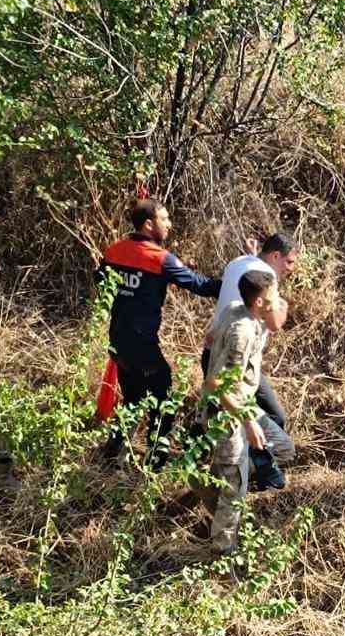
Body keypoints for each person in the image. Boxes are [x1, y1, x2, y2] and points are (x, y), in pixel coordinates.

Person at [98, 198, 221, 466]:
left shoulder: (114, 250)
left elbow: (101, 284)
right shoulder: (159, 258)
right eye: (164, 220)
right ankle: (156, 461)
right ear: (149, 224)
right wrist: (235, 285)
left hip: (117, 338)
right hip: (143, 342)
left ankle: (111, 456)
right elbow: (199, 284)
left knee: (131, 398)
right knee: (162, 397)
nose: (169, 224)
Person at [203, 268, 296, 554]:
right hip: (227, 415)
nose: (277, 297)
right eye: (273, 294)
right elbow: (215, 382)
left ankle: (206, 486)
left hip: (240, 406)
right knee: (235, 490)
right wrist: (247, 420)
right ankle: (223, 554)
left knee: (281, 446)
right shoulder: (242, 330)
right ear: (258, 302)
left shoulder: (235, 310)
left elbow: (209, 339)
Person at [205, 232, 299, 429]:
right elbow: (275, 324)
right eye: (289, 262)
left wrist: (252, 254)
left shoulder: (237, 262)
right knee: (276, 417)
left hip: (211, 353)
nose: (291, 268)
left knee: (213, 418)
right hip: (237, 361)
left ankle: (191, 455)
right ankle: (260, 458)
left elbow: (250, 274)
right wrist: (283, 304)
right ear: (275, 256)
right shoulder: (268, 279)